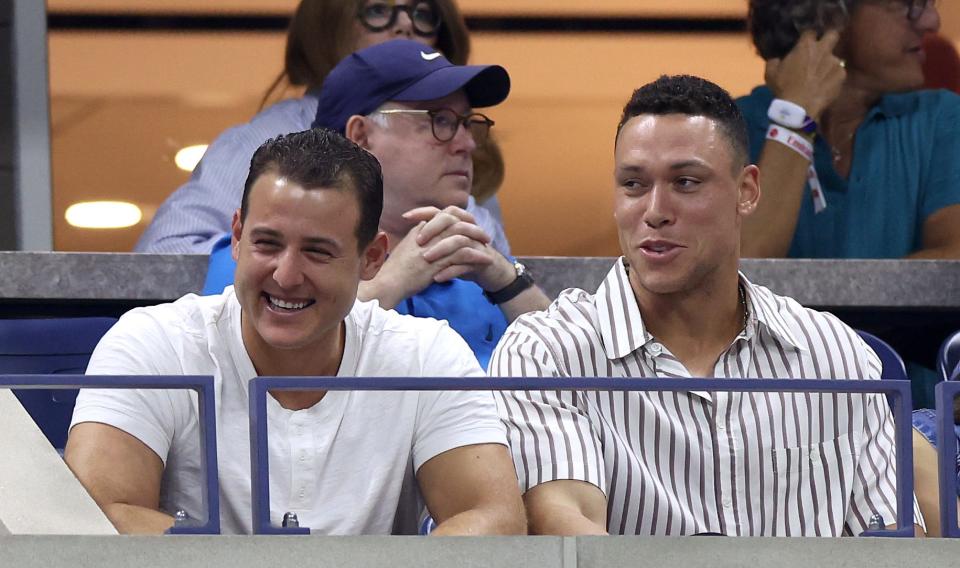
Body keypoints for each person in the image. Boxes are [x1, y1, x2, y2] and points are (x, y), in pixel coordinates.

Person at [489, 74, 924, 536]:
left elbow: (894, 557)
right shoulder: (547, 353)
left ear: (747, 191)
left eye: (686, 182)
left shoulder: (833, 352)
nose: (654, 210)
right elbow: (568, 541)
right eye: (633, 184)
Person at [65, 128, 526, 535]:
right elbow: (98, 513)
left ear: (372, 258)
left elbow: (494, 521)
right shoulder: (152, 342)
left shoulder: (427, 355)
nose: (286, 276)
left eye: (318, 252)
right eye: (267, 243)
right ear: (238, 235)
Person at [203, 40, 551, 368]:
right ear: (361, 136)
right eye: (440, 120)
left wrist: (507, 280)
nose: (466, 144)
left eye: (466, 124)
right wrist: (392, 282)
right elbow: (260, 364)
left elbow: (577, 378)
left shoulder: (477, 269)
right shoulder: (257, 253)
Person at [135, 0, 510, 257]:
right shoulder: (269, 137)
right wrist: (318, 263)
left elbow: (503, 278)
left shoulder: (458, 162)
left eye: (423, 12)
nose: (406, 23)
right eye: (377, 9)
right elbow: (162, 256)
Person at [737, 0, 960, 259]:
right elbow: (740, 276)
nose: (932, 22)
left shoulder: (942, 119)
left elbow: (953, 263)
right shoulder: (726, 131)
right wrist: (795, 115)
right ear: (828, 16)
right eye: (908, 4)